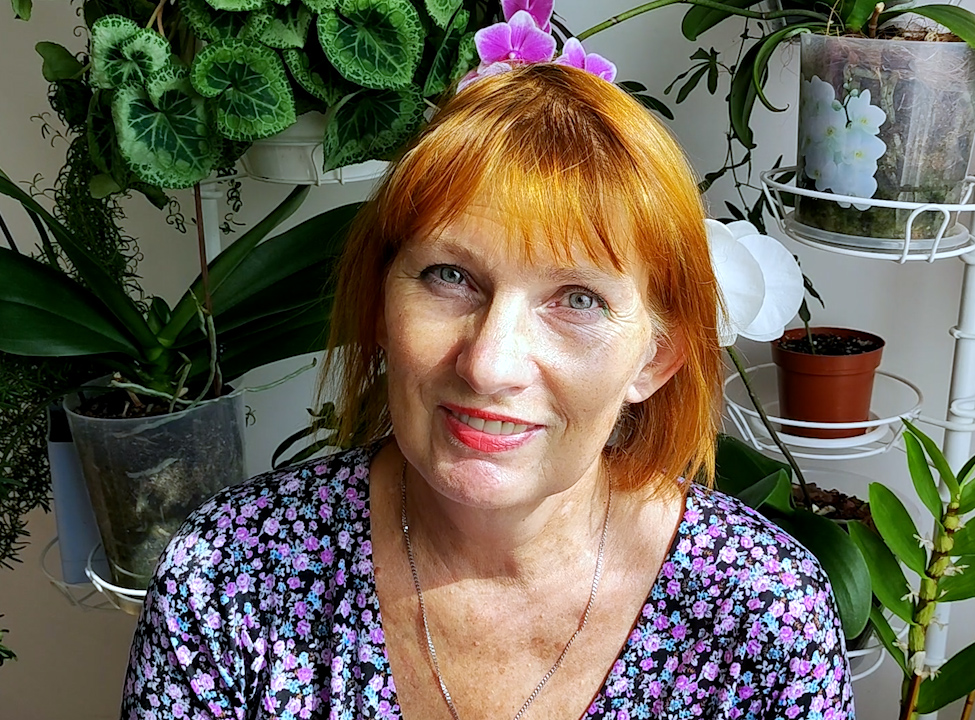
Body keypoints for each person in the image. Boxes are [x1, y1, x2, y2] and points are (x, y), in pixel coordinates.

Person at [121, 60, 853, 720]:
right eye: (451, 277)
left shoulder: (762, 614)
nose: (488, 365)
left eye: (578, 299)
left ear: (654, 359)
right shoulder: (228, 579)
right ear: (380, 304)